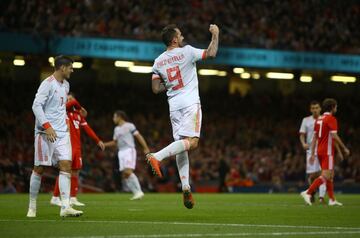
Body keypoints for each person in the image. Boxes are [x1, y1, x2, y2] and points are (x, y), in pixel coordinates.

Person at [146, 24, 219, 209]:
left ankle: (186, 187)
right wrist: (215, 35)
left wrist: (170, 86)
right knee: (193, 142)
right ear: (174, 40)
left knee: (182, 148)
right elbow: (211, 53)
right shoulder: (187, 52)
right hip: (190, 103)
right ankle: (157, 156)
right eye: (180, 34)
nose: (183, 36)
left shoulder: (158, 61)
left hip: (174, 107)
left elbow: (155, 89)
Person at [27, 55, 83, 217]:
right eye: (70, 68)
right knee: (39, 168)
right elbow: (36, 106)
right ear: (62, 68)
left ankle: (65, 207)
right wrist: (47, 126)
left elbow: (59, 107)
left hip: (62, 133)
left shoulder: (66, 85)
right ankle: (32, 207)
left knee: (66, 165)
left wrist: (65, 122)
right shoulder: (47, 84)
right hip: (45, 132)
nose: (72, 70)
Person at [50, 92, 105, 207]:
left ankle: (73, 198)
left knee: (75, 171)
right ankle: (55, 197)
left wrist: (97, 140)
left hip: (77, 147)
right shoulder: (63, 111)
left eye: (70, 98)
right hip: (67, 145)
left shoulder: (77, 115)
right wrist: (81, 108)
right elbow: (74, 102)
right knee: (65, 170)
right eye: (67, 99)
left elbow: (87, 128)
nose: (69, 101)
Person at [301, 98, 350, 206]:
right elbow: (334, 136)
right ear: (332, 107)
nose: (336, 108)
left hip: (320, 150)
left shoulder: (319, 119)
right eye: (336, 106)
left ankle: (332, 200)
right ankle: (308, 192)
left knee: (330, 175)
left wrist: (313, 152)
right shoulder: (331, 118)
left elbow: (314, 138)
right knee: (326, 175)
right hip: (327, 151)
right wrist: (344, 148)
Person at [104, 110, 150, 200]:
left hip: (129, 150)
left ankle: (139, 191)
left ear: (119, 117)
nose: (113, 119)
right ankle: (136, 193)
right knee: (125, 175)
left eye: (114, 117)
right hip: (121, 152)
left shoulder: (129, 126)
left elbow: (138, 136)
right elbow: (115, 142)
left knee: (128, 171)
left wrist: (145, 148)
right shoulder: (116, 129)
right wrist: (104, 144)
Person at [299, 101, 326, 203]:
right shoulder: (306, 120)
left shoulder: (324, 119)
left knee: (323, 173)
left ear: (320, 109)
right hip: (310, 150)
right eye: (313, 108)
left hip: (323, 149)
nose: (315, 110)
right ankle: (312, 192)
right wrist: (303, 143)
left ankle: (321, 197)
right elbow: (302, 134)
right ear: (310, 109)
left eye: (317, 108)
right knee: (312, 176)